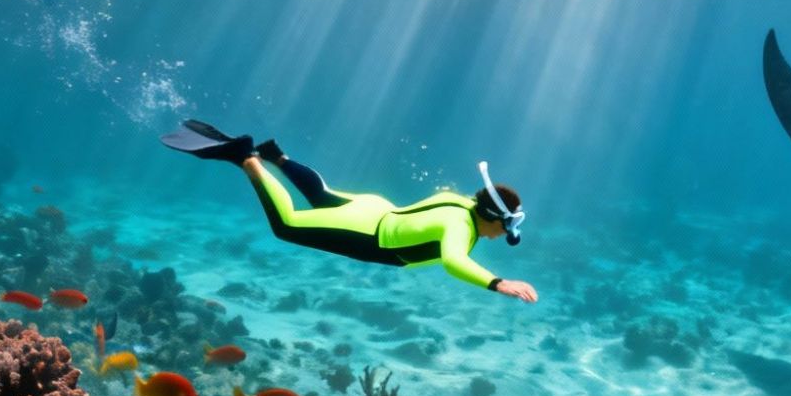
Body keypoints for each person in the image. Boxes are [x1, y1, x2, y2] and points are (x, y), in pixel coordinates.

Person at [161, 121, 538, 303]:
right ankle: (246, 157)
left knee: (321, 195)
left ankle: (279, 158)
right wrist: (497, 283)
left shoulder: (461, 201)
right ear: (490, 217)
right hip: (369, 234)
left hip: (375, 210)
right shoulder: (460, 226)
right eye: (502, 229)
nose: (500, 236)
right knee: (287, 224)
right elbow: (453, 260)